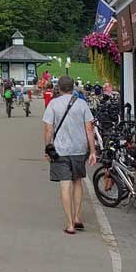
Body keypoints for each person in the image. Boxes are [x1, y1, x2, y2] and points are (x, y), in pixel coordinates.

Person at [44, 75, 96, 234]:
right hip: (79, 149)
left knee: (65, 184)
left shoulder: (53, 104)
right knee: (77, 182)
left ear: (58, 88)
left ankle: (70, 224)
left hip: (60, 151)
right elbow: (89, 129)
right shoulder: (81, 104)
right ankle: (78, 217)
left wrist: (47, 148)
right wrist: (93, 151)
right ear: (73, 87)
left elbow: (48, 129)